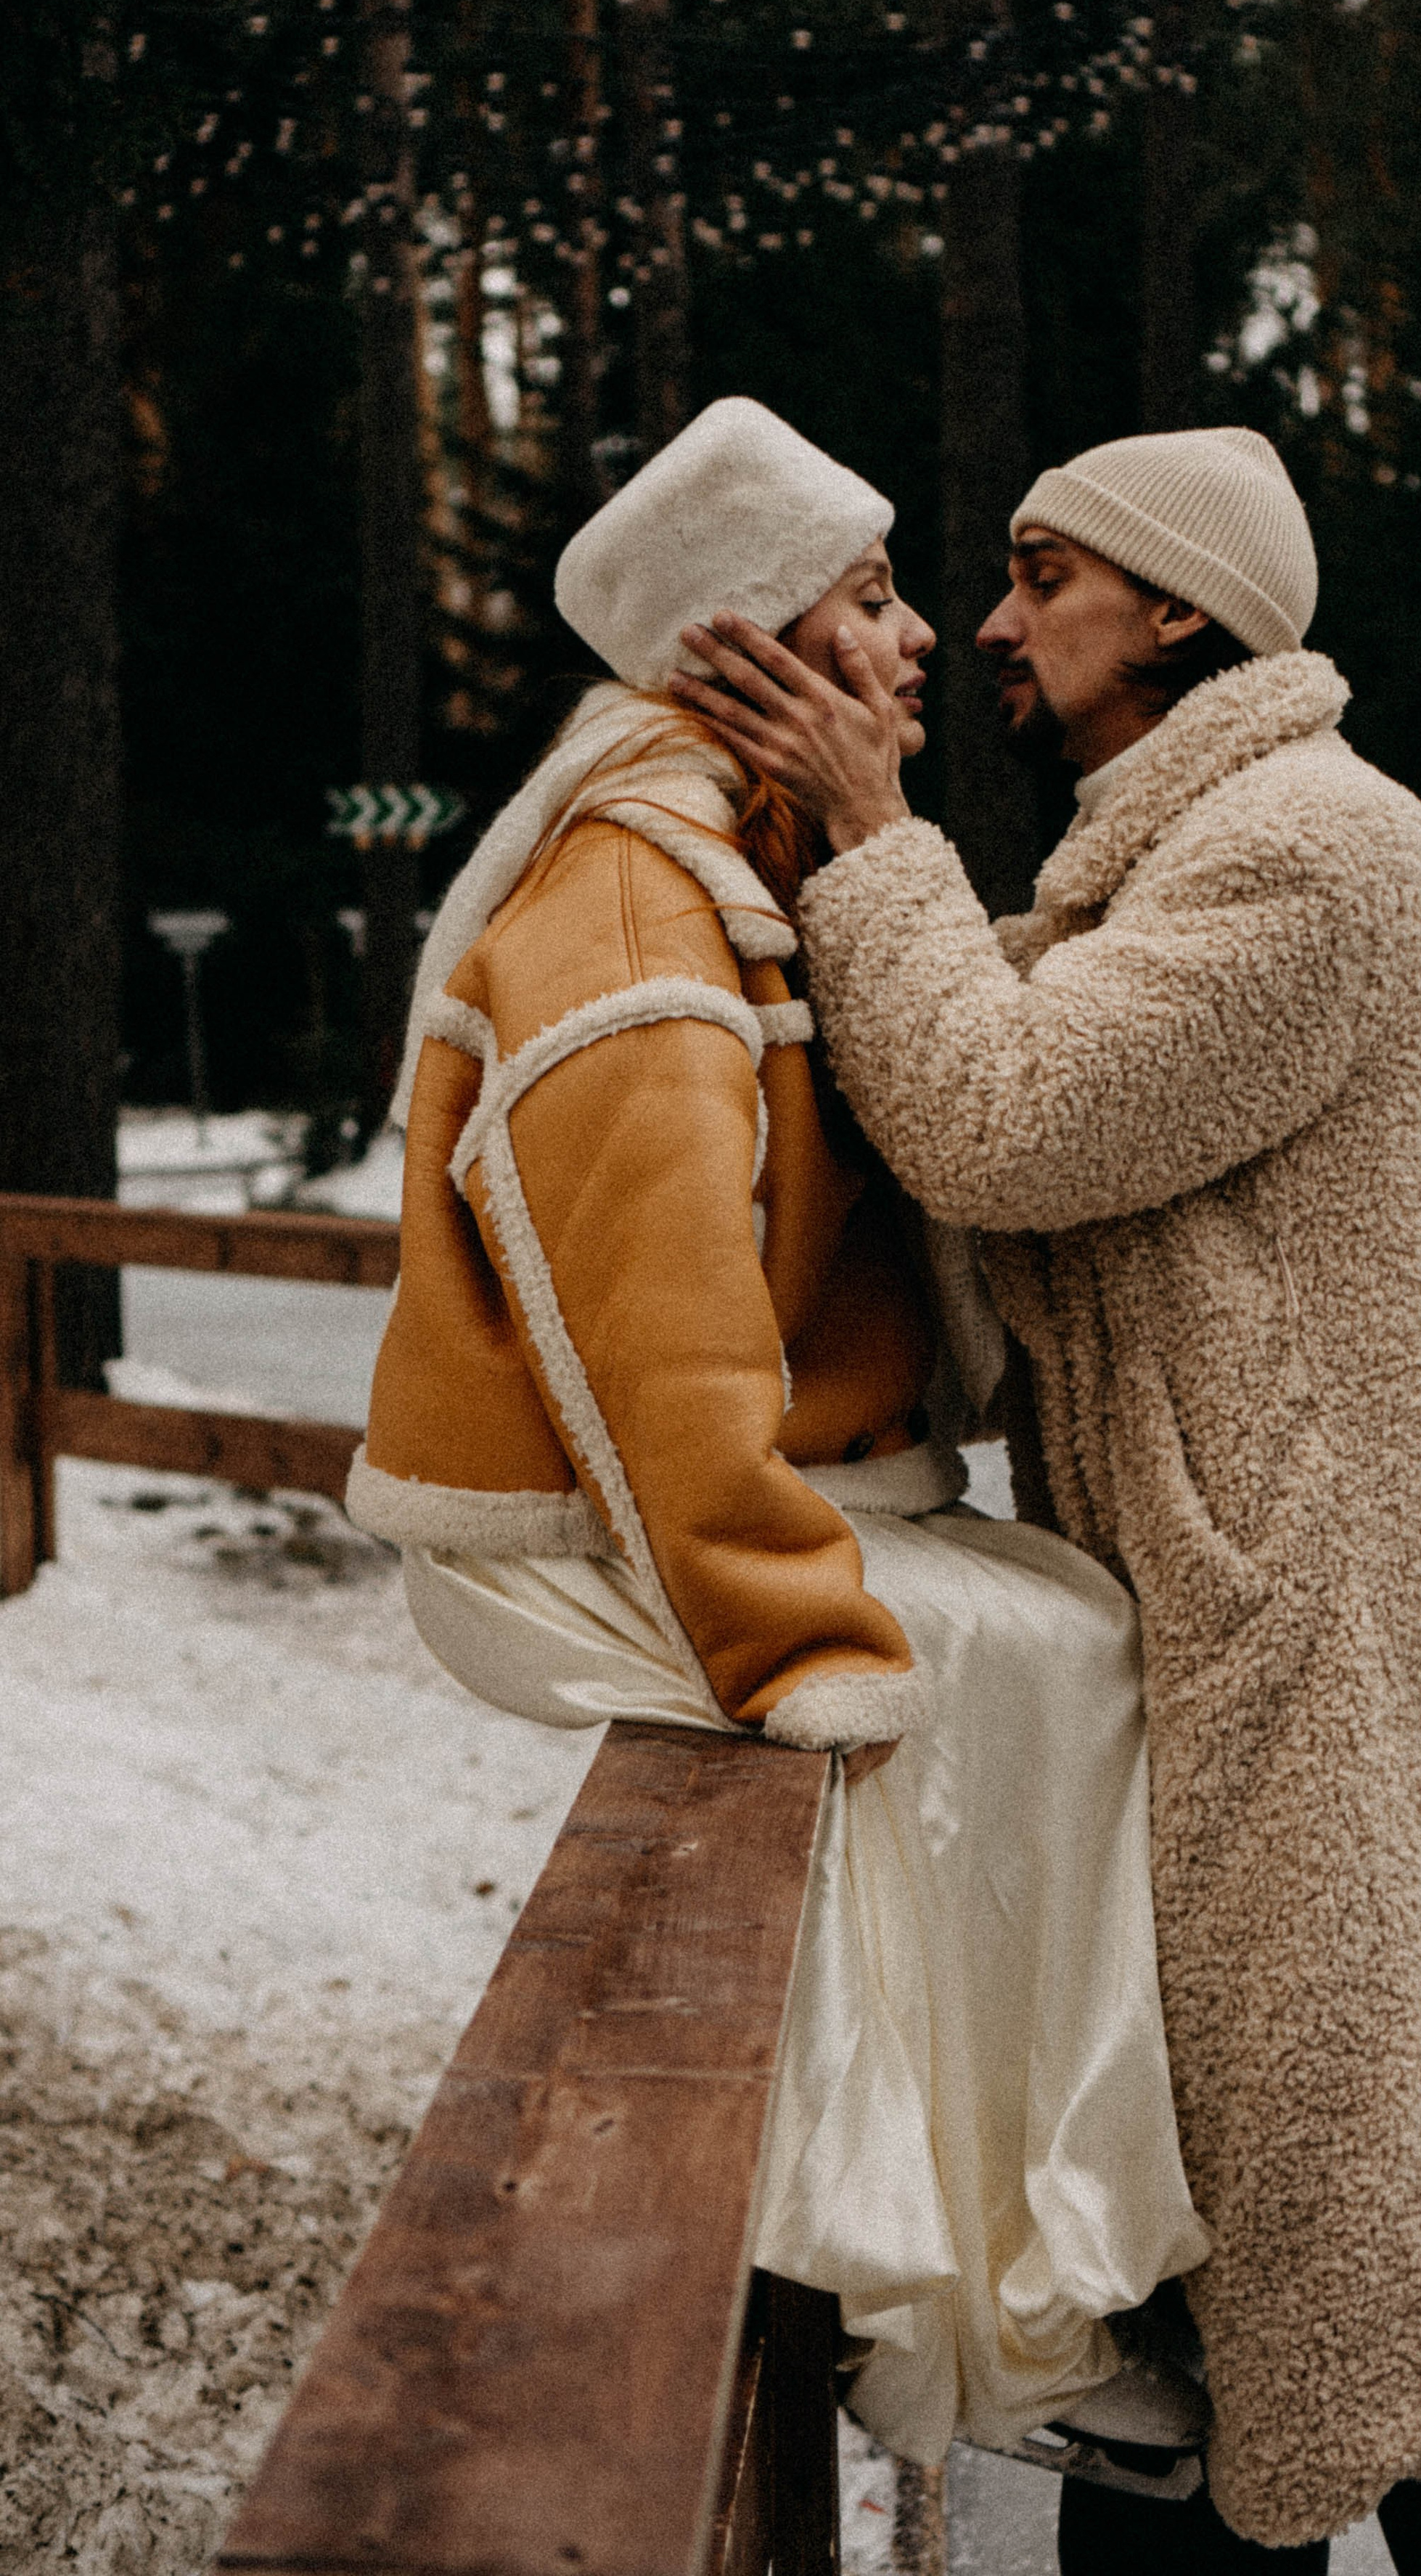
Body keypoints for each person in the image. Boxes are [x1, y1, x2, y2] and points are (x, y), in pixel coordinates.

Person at [668, 425, 1421, 2571]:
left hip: (1351, 1699)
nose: (996, 622)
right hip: (1240, 1678)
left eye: (1044, 577)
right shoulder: (1155, 867)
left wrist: (868, 829)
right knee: (1250, 2343)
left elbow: (1006, 1125)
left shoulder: (1314, 849)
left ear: (1183, 607)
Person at [347, 397, 1211, 2476]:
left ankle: (1031, 2268)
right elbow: (644, 1338)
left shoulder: (751, 862)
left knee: (1066, 1629)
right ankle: (980, 2310)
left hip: (730, 1501)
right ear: (741, 645)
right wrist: (782, 1633)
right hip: (580, 1538)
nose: (921, 639)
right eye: (870, 594)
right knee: (1035, 1667)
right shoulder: (638, 906)